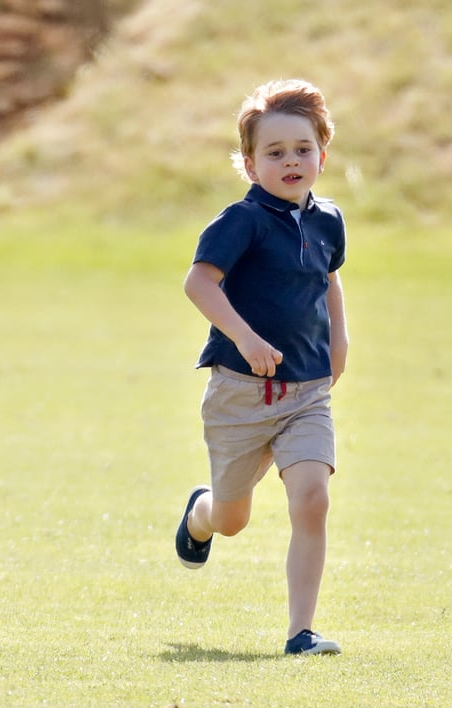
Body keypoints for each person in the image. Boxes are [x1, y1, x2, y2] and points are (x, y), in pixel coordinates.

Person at [175, 79, 348, 656]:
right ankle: (200, 515)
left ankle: (301, 632)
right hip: (240, 394)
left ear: (322, 153)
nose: (291, 161)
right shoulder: (241, 221)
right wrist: (245, 339)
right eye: (274, 153)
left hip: (306, 393)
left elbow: (328, 278)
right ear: (250, 165)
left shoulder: (328, 221)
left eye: (302, 148)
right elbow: (199, 282)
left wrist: (340, 342)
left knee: (312, 499)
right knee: (232, 521)